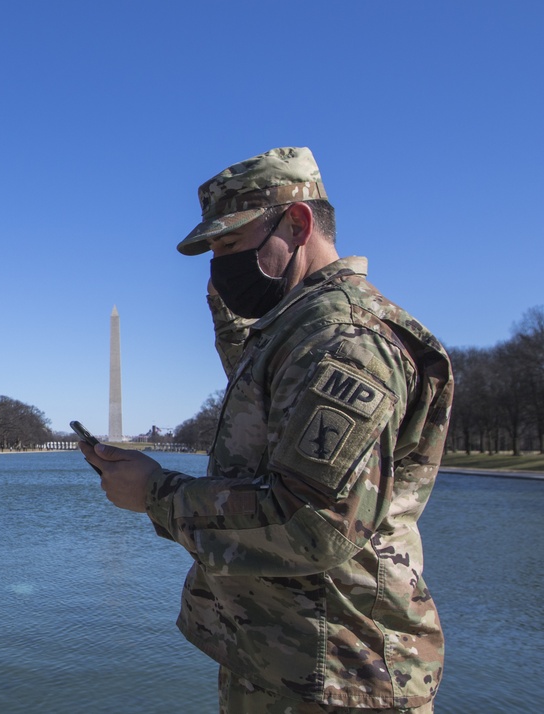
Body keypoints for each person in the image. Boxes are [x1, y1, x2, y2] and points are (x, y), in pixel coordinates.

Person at [79, 147, 453, 713]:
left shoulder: (344, 341)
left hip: (343, 676)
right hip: (291, 661)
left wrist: (155, 493)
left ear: (297, 224)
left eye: (228, 245)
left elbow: (313, 521)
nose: (218, 265)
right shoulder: (299, 330)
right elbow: (268, 414)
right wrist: (229, 311)